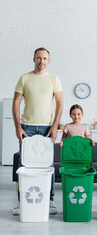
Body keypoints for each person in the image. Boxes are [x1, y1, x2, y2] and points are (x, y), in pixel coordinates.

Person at [12, 47, 63, 215]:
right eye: (39, 58)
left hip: (47, 128)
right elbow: (16, 103)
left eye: (45, 58)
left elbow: (60, 104)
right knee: (24, 164)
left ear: (49, 61)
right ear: (34, 59)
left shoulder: (54, 79)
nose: (42, 61)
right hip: (27, 127)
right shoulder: (24, 78)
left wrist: (55, 126)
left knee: (47, 165)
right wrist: (17, 126)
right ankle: (22, 202)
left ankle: (49, 201)